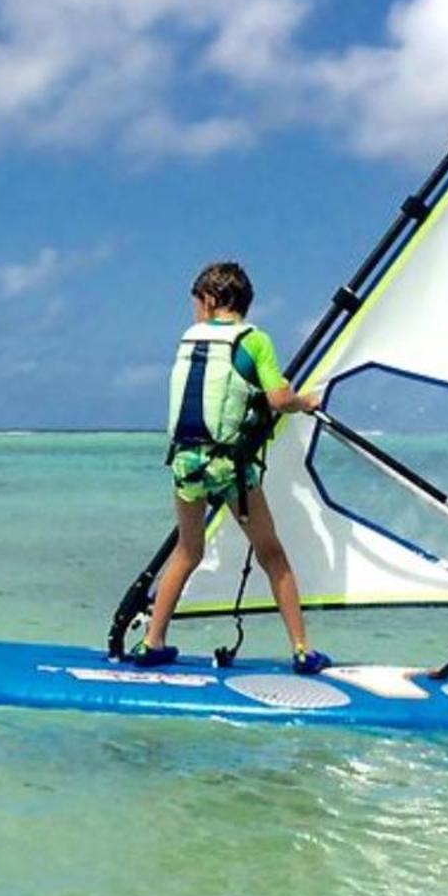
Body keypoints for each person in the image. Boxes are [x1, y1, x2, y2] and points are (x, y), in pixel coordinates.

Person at [135, 260, 331, 674]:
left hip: (185, 464)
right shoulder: (254, 341)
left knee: (187, 551)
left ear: (210, 299)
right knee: (272, 554)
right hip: (229, 469)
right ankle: (301, 650)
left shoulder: (190, 339)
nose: (193, 312)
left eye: (195, 303)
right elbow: (278, 399)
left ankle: (152, 642)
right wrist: (306, 401)